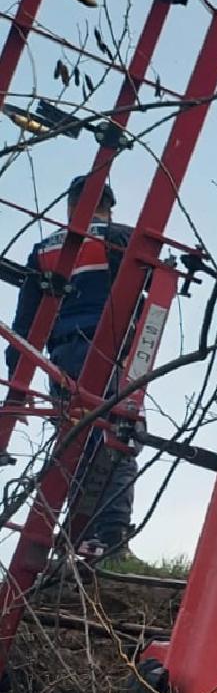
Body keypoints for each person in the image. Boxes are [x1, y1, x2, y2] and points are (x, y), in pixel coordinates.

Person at [6, 176, 139, 560]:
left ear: (72, 204)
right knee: (119, 434)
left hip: (60, 360)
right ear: (108, 205)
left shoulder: (44, 250)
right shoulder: (121, 239)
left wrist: (19, 385)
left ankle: (77, 535)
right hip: (108, 349)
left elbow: (25, 325)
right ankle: (110, 537)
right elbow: (148, 288)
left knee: (74, 442)